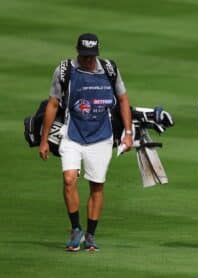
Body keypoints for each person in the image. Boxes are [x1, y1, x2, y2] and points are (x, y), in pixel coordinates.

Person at [39, 33, 133, 252]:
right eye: (84, 56)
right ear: (77, 52)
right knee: (69, 179)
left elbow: (123, 100)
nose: (88, 60)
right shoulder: (65, 71)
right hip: (72, 134)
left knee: (96, 185)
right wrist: (44, 140)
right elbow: (52, 105)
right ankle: (75, 229)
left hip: (101, 137)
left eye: (92, 56)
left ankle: (90, 235)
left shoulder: (110, 69)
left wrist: (128, 133)